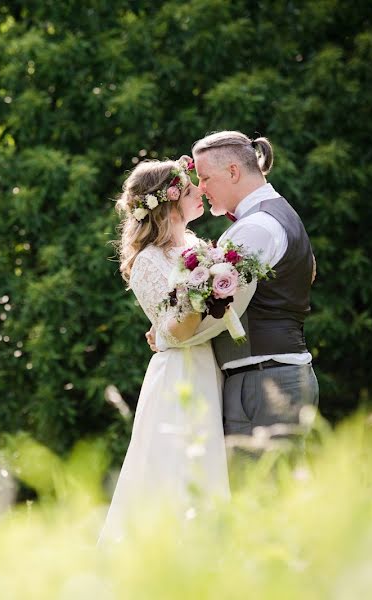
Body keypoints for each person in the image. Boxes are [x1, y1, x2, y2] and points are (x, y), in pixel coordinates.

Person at [99, 155, 241, 544]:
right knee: (176, 469)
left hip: (207, 365)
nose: (201, 191)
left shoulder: (197, 247)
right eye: (191, 187)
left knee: (209, 465)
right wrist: (201, 295)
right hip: (180, 373)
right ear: (168, 200)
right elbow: (173, 330)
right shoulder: (147, 261)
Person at [147, 131, 319, 444]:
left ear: (233, 171)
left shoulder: (254, 229)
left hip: (262, 382)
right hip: (274, 375)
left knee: (257, 489)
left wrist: (165, 335)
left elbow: (223, 310)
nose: (200, 188)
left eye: (205, 177)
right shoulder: (277, 215)